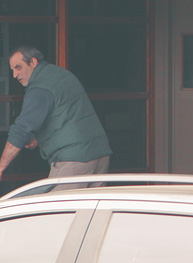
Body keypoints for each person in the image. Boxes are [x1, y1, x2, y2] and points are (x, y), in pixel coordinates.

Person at [1, 46, 111, 178]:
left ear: (33, 62)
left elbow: (21, 129)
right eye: (12, 70)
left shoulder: (40, 88)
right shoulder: (59, 74)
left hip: (74, 159)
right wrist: (38, 139)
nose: (14, 75)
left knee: (56, 193)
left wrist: (1, 166)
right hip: (99, 155)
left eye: (18, 67)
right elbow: (64, 115)